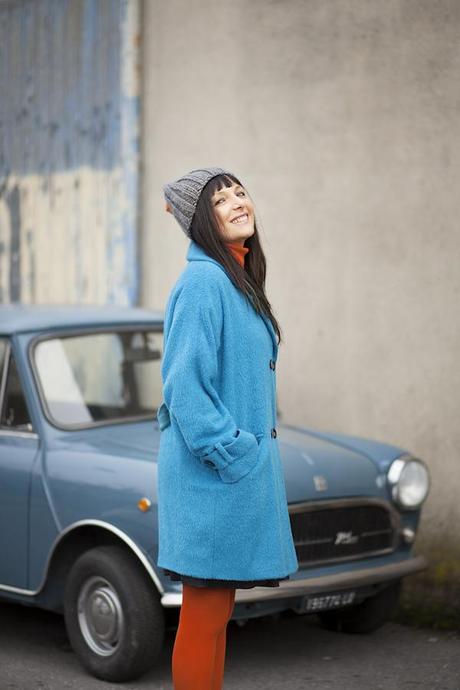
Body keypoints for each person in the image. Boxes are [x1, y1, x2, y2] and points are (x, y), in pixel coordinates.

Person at [157, 167, 298, 690]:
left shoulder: (237, 280)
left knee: (216, 619)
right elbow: (185, 389)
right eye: (221, 199)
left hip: (228, 481)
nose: (239, 201)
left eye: (240, 191)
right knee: (204, 617)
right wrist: (237, 454)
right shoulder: (203, 283)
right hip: (212, 480)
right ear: (201, 221)